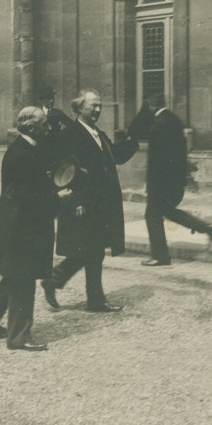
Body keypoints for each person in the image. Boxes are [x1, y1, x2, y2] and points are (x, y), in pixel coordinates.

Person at [0, 106, 71, 351]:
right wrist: (57, 198)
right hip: (22, 226)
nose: (48, 126)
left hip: (21, 223)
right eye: (43, 123)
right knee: (23, 278)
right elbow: (26, 196)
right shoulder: (22, 154)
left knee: (14, 273)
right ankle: (19, 337)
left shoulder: (28, 148)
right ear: (30, 126)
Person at [41, 89, 138, 312]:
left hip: (100, 204)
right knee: (89, 251)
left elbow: (117, 155)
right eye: (92, 106)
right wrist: (76, 202)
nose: (97, 110)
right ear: (78, 108)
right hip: (82, 205)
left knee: (91, 251)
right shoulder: (70, 135)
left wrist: (133, 140)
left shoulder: (98, 134)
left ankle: (64, 285)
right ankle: (89, 296)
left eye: (99, 106)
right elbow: (65, 173)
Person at [128, 94, 212, 266]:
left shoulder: (158, 124)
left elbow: (134, 131)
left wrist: (142, 110)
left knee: (152, 216)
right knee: (167, 212)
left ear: (150, 104)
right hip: (173, 180)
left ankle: (160, 256)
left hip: (160, 182)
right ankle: (205, 227)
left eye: (147, 105)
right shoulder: (174, 120)